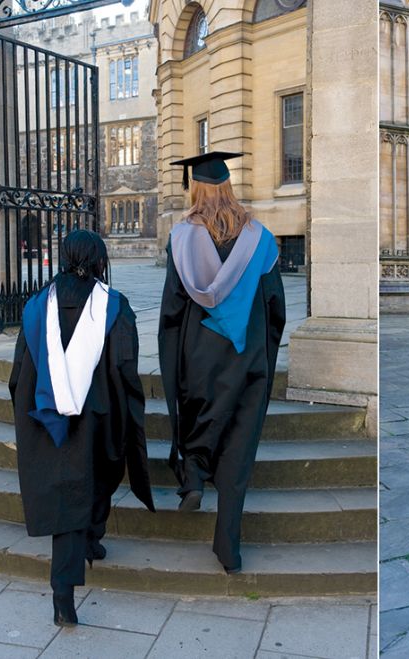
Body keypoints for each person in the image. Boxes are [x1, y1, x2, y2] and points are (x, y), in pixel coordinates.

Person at [9, 230, 155, 626]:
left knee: (67, 489)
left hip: (47, 416)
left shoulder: (38, 305)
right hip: (97, 416)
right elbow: (125, 368)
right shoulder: (115, 306)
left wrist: (30, 413)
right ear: (99, 260)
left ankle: (88, 545)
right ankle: (64, 591)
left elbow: (19, 371)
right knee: (87, 484)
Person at [158, 151, 286, 574]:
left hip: (199, 356)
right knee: (239, 446)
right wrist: (263, 354)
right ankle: (228, 547)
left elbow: (173, 310)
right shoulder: (260, 239)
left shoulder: (181, 238)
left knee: (202, 421)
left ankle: (193, 476)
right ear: (229, 185)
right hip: (246, 355)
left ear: (196, 186)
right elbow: (276, 307)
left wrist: (174, 360)